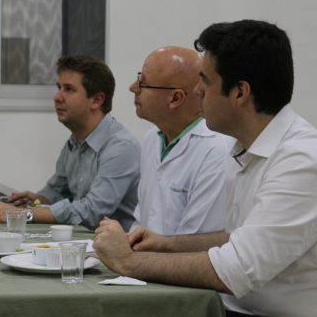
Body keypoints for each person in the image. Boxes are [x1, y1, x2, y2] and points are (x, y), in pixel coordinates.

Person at [93, 20, 317, 317]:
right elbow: (236, 238)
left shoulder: (302, 161)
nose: (197, 91)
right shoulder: (244, 147)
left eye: (206, 81)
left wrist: (128, 262)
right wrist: (167, 244)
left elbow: (236, 268)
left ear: (240, 92)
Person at [0, 55, 140, 231]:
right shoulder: (75, 141)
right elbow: (56, 191)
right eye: (59, 88)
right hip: (86, 239)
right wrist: (35, 200)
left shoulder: (121, 146)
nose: (57, 97)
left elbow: (92, 212)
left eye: (69, 89)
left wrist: (25, 214)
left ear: (97, 100)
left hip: (119, 244)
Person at [130, 46, 228, 235]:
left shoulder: (216, 150)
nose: (133, 88)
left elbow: (195, 240)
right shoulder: (153, 137)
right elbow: (142, 219)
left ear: (175, 98)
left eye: (143, 83)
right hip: (146, 252)